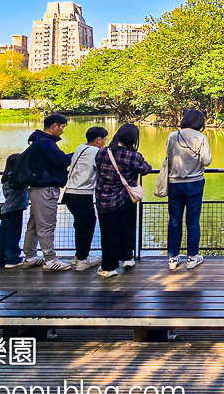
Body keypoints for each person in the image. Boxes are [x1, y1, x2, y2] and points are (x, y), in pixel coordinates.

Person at [94, 123, 151, 277]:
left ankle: (109, 267)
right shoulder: (133, 156)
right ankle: (127, 257)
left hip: (104, 197)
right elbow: (146, 169)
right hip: (125, 197)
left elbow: (97, 167)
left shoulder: (102, 152)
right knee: (127, 227)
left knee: (108, 232)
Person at [21, 112, 74, 271]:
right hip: (45, 190)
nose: (63, 130)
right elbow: (62, 160)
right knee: (46, 225)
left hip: (37, 189)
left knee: (34, 224)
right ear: (54, 126)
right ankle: (50, 260)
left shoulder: (38, 141)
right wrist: (78, 153)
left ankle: (30, 256)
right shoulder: (46, 143)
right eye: (62, 127)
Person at [165, 108, 212, 271]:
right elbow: (206, 161)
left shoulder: (172, 135)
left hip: (174, 183)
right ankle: (192, 257)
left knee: (174, 221)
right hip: (194, 184)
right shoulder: (201, 137)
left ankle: (172, 258)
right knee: (192, 221)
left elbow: (168, 157)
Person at [61, 126, 108, 271]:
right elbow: (102, 168)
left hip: (70, 192)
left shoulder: (81, 147)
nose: (105, 143)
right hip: (81, 193)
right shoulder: (95, 151)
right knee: (87, 225)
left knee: (81, 225)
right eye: (105, 140)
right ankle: (82, 260)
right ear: (98, 139)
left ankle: (79, 256)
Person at [0, 153, 27, 268]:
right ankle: (12, 259)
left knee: (2, 235)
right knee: (13, 234)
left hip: (6, 209)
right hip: (15, 209)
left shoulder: (7, 177)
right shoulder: (17, 178)